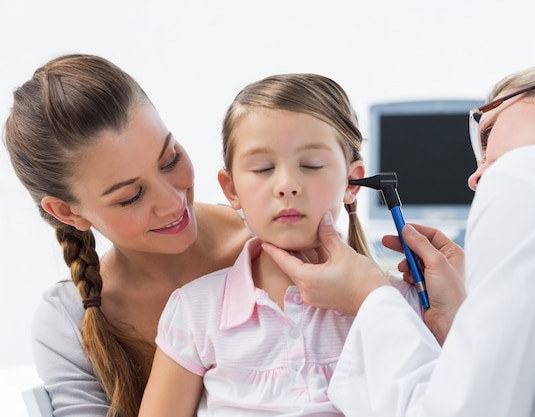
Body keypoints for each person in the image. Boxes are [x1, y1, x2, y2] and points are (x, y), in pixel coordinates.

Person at [263, 60, 535, 416]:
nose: (476, 176)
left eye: (485, 133)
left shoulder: (530, 174)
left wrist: (370, 298)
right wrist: (462, 321)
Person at [137, 73, 422, 416]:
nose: (287, 185)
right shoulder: (194, 311)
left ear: (352, 181)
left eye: (311, 165)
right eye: (263, 168)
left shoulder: (399, 306)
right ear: (231, 190)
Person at [3, 54, 252, 417]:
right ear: (68, 211)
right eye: (130, 197)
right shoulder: (71, 321)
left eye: (170, 159)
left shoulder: (277, 240)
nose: (172, 202)